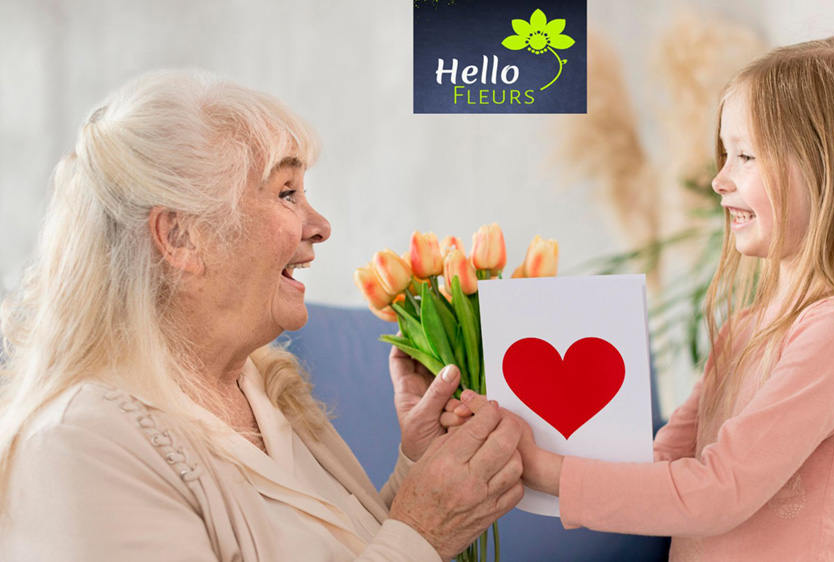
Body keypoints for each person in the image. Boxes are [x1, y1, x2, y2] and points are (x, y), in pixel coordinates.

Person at [445, 36, 834, 561]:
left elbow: (718, 492)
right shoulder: (748, 328)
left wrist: (543, 468)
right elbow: (665, 465)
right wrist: (514, 440)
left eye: (746, 156)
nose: (719, 179)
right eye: (725, 154)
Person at [0, 70, 523, 561]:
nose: (319, 226)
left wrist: (418, 480)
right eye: (286, 193)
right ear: (181, 237)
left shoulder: (260, 387)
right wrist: (424, 533)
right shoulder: (81, 448)